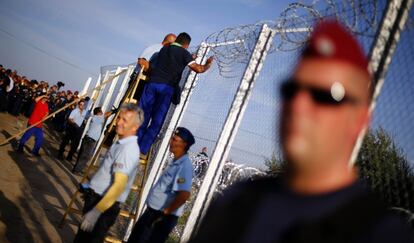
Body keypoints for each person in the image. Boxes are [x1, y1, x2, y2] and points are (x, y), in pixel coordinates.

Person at [190, 20, 414, 243]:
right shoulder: (237, 201)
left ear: (361, 119)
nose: (298, 105)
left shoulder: (381, 234)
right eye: (291, 90)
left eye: (325, 95)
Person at [73, 103, 144, 243]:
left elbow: (118, 186)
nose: (118, 122)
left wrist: (96, 212)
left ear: (135, 127)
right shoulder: (120, 143)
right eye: (119, 118)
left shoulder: (128, 149)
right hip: (97, 199)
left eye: (125, 120)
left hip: (104, 206)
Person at [138, 32, 214, 158]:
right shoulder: (184, 54)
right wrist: (208, 64)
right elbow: (198, 69)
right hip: (166, 88)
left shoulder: (164, 49)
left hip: (152, 84)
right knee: (157, 121)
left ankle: (134, 144)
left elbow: (173, 61)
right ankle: (142, 150)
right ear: (186, 45)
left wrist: (189, 58)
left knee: (143, 115)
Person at [127, 127, 195, 243]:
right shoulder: (176, 162)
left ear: (184, 144)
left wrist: (165, 213)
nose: (170, 142)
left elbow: (184, 195)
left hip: (160, 217)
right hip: (154, 213)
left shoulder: (184, 166)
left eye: (174, 139)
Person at [72, 107, 110, 175]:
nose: (102, 112)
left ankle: (77, 168)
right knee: (86, 156)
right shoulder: (98, 118)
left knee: (82, 155)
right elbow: (106, 115)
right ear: (98, 112)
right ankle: (77, 170)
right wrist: (113, 111)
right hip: (90, 140)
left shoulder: (96, 118)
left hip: (88, 139)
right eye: (101, 111)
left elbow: (105, 115)